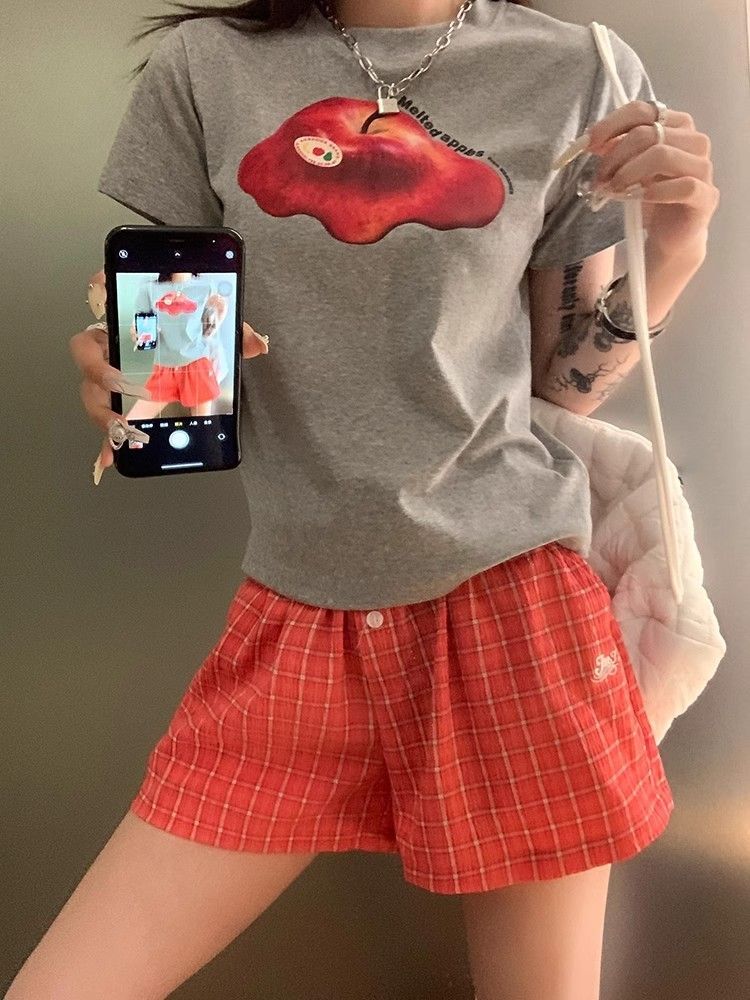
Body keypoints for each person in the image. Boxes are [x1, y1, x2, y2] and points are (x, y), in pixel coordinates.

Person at [12, 1, 700, 997]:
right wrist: (125, 381)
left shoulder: (577, 69)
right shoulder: (207, 69)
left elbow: (563, 385)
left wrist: (672, 254)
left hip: (513, 613)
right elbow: (175, 358)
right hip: (297, 618)